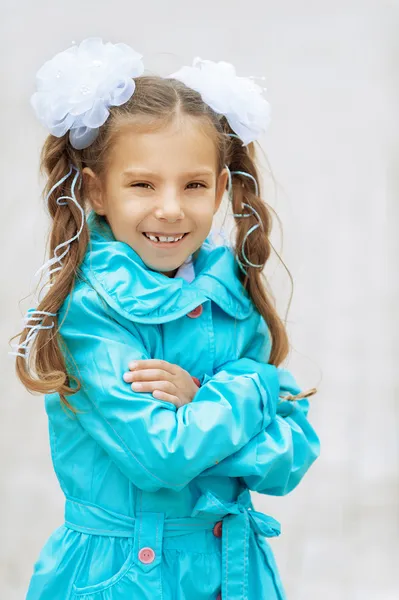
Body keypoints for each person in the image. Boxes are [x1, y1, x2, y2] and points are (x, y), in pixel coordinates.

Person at [10, 37, 320, 600]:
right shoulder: (92, 311)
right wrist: (255, 387)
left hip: (234, 573)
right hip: (127, 576)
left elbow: (295, 452)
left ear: (222, 189)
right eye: (143, 184)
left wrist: (204, 396)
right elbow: (163, 455)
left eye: (195, 184)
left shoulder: (231, 292)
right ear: (96, 190)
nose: (172, 208)